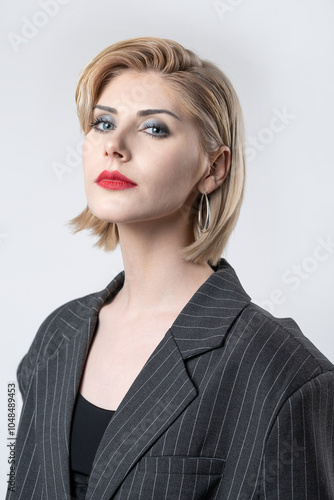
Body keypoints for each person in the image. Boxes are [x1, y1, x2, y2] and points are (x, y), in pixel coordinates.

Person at [7, 37, 334, 500]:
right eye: (103, 123)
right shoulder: (56, 336)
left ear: (213, 169)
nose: (114, 147)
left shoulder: (281, 372)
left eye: (154, 129)